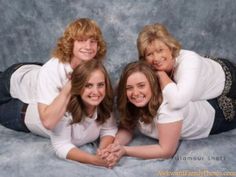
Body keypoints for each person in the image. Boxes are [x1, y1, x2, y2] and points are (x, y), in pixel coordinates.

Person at [99, 61, 236, 167]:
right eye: (129, 88)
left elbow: (166, 151)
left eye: (141, 86)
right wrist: (115, 146)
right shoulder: (133, 102)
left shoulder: (167, 107)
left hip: (217, 115)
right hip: (198, 102)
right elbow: (127, 127)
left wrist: (125, 151)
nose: (135, 93)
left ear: (153, 85)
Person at [0, 18, 107, 137]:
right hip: (15, 80)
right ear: (71, 43)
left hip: (37, 72)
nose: (88, 46)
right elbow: (48, 122)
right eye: (81, 40)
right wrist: (70, 86)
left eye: (93, 41)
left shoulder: (94, 66)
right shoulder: (53, 70)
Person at [136, 23, 236, 121]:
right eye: (149, 54)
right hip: (208, 90)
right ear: (144, 58)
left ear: (170, 48)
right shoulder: (150, 69)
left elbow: (177, 102)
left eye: (160, 50)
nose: (156, 58)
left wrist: (161, 75)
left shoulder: (188, 61)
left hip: (229, 77)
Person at [50, 59, 117, 166]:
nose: (96, 92)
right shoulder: (65, 108)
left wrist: (103, 151)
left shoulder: (105, 103)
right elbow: (61, 145)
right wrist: (94, 160)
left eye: (100, 85)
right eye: (88, 85)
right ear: (78, 86)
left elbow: (109, 129)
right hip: (22, 114)